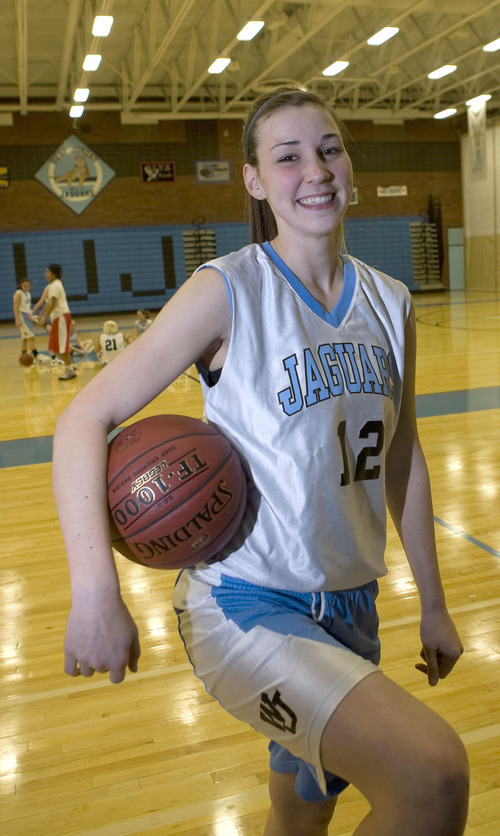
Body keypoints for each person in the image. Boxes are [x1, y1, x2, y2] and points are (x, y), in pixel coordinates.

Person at [53, 86, 469, 835]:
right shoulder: (230, 290)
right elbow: (85, 415)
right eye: (288, 156)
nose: (315, 169)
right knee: (431, 775)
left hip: (351, 605)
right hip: (245, 606)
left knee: (301, 812)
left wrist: (434, 604)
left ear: (350, 165)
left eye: (330, 148)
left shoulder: (391, 301)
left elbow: (401, 456)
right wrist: (94, 593)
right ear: (253, 179)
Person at [38, 263, 76, 380]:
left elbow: (53, 303)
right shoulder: (54, 285)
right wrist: (41, 313)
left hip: (61, 317)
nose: (45, 274)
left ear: (54, 273)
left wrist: (44, 318)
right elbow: (49, 303)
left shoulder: (55, 285)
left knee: (61, 345)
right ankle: (69, 367)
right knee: (55, 346)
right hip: (58, 318)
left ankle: (70, 370)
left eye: (47, 272)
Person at [12, 278, 43, 363]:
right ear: (21, 286)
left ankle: (24, 356)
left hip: (27, 316)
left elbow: (26, 308)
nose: (26, 287)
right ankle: (36, 356)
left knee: (24, 338)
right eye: (24, 285)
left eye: (28, 285)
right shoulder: (18, 293)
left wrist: (32, 315)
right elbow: (15, 307)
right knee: (31, 337)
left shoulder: (28, 294)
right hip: (22, 317)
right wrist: (18, 319)